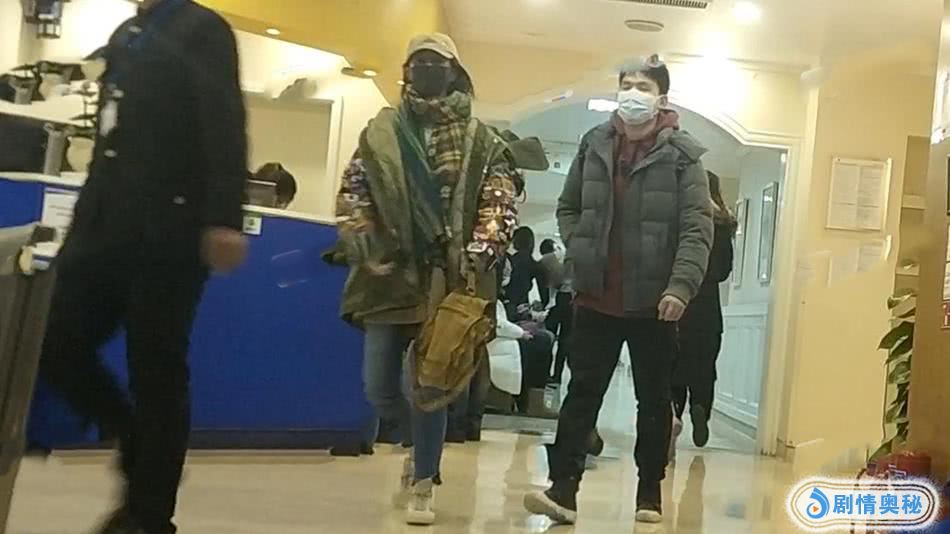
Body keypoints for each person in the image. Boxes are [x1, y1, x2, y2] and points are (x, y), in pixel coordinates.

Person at [37, 1, 249, 533]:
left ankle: (149, 514)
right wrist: (82, 224)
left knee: (156, 365)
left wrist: (225, 217)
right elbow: (109, 136)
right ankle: (133, 436)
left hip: (170, 231)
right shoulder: (127, 33)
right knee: (54, 340)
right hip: (103, 226)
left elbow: (224, 122)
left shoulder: (203, 30)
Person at [334, 33, 520, 526]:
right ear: (405, 70)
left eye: (435, 62)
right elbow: (355, 189)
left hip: (448, 280)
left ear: (454, 70)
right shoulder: (382, 132)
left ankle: (423, 480)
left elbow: (498, 200)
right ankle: (417, 445)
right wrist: (363, 240)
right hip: (389, 275)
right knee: (378, 386)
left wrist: (479, 253)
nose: (425, 69)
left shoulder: (482, 140)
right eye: (417, 62)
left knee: (431, 385)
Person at [523, 54, 713, 525]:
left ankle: (649, 492)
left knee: (653, 402)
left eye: (643, 86)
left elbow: (697, 229)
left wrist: (681, 286)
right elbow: (569, 206)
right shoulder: (594, 143)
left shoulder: (684, 156)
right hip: (595, 294)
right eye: (627, 84)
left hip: (655, 302)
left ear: (661, 98)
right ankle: (562, 489)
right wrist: (581, 247)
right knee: (581, 395)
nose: (633, 94)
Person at [671, 171, 737, 453]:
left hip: (680, 301)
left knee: (674, 366)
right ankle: (700, 407)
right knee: (704, 366)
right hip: (708, 309)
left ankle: (673, 417)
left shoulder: (683, 219)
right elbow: (723, 271)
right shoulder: (723, 224)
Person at [539, 238, 574, 385]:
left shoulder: (550, 259)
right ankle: (557, 376)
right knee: (565, 339)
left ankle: (544, 373)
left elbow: (555, 282)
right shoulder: (571, 255)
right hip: (572, 300)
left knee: (549, 335)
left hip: (559, 299)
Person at [506, 227, 549, 310]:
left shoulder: (510, 260)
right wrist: (543, 303)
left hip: (506, 303)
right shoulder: (534, 264)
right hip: (522, 305)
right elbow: (544, 293)